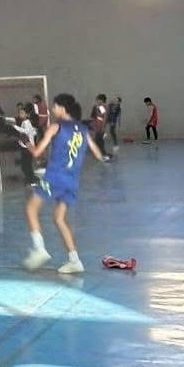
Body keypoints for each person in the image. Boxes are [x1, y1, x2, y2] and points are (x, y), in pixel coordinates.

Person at [23, 93, 108, 275]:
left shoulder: (56, 126)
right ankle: (74, 260)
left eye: (55, 106)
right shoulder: (83, 129)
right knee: (59, 218)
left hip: (55, 177)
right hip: (72, 181)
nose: (53, 109)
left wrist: (27, 144)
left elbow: (37, 153)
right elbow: (97, 153)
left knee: (31, 209)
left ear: (62, 108)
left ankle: (39, 250)